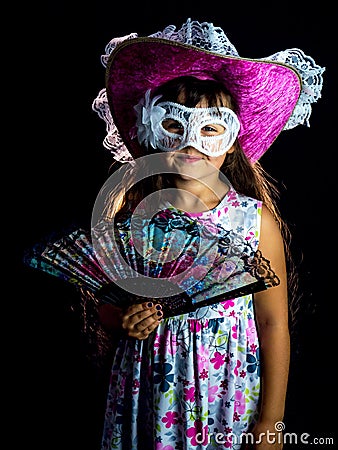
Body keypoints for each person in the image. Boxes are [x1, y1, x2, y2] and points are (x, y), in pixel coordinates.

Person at [26, 18, 324, 450]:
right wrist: (125, 318)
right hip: (147, 386)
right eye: (174, 125)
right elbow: (110, 306)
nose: (191, 143)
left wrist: (273, 420)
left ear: (231, 141)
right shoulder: (130, 221)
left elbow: (274, 321)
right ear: (149, 131)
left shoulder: (253, 222)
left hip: (227, 390)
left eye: (210, 129)